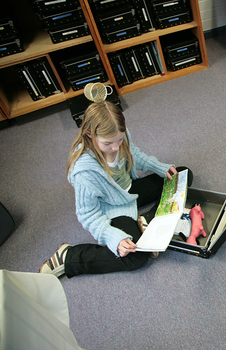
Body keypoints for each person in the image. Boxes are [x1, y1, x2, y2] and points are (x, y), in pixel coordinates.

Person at [39, 101, 192, 278]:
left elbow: (134, 154)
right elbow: (87, 214)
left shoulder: (121, 136)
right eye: (108, 143)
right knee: (136, 258)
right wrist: (113, 237)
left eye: (119, 140)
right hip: (112, 206)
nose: (116, 147)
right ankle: (69, 257)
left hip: (130, 190)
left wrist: (157, 166)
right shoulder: (83, 171)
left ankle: (146, 220)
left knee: (181, 175)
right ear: (90, 134)